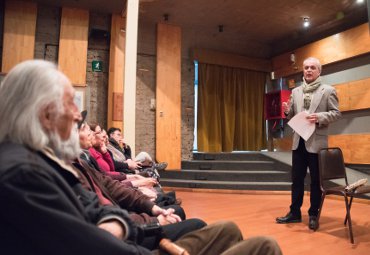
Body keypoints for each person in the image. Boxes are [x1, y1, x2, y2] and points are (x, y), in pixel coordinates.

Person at [0, 59, 282, 255]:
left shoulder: (41, 160)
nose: (77, 114)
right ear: (44, 112)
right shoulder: (23, 173)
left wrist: (120, 224)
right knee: (264, 247)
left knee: (227, 229)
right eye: (71, 103)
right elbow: (92, 246)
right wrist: (148, 233)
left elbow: (98, 211)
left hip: (130, 242)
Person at [276, 57, 341, 230]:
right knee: (296, 179)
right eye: (306, 68)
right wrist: (287, 112)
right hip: (299, 142)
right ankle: (295, 213)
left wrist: (319, 117)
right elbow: (293, 115)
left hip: (317, 144)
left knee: (315, 181)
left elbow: (336, 113)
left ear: (319, 71)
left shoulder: (328, 90)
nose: (309, 70)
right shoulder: (296, 91)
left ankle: (313, 214)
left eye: (312, 67)